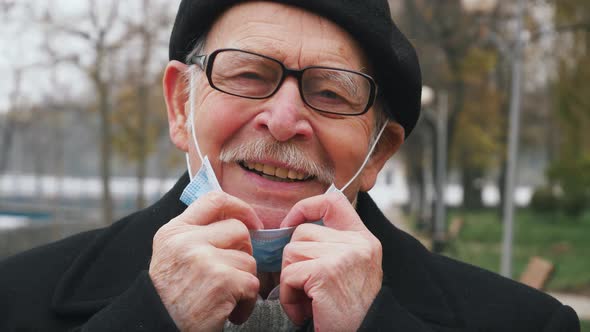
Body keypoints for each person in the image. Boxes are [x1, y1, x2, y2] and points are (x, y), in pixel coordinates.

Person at [0, 0, 581, 331]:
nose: (283, 120)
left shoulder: (528, 326)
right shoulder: (14, 298)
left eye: (331, 92)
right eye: (248, 74)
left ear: (379, 151)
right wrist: (150, 319)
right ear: (181, 105)